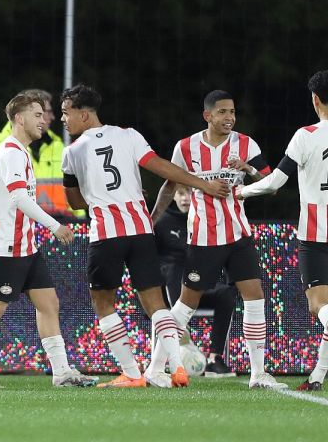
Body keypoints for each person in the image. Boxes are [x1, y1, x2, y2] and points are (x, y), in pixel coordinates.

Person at [61, 84, 230, 388]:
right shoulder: (129, 135)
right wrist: (201, 185)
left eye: (66, 112)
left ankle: (132, 373)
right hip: (141, 230)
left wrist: (97, 195)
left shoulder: (73, 152)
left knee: (103, 303)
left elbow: (74, 203)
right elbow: (163, 167)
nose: (63, 119)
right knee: (156, 303)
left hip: (106, 232)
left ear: (83, 114)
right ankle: (177, 368)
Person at [151, 89, 286, 389]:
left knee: (255, 298)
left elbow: (271, 184)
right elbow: (170, 187)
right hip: (203, 238)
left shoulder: (245, 144)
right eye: (223, 112)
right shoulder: (186, 148)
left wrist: (247, 168)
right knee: (185, 306)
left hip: (239, 234)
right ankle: (155, 367)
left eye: (233, 112)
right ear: (207, 115)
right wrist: (152, 219)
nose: (230, 118)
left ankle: (258, 374)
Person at [0, 92, 98, 389]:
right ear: (19, 118)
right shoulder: (11, 151)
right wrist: (55, 226)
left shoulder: (22, 151)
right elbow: (19, 198)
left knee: (49, 303)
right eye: (37, 115)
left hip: (27, 246)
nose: (44, 120)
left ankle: (62, 372)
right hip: (7, 246)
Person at [238, 70, 328, 391]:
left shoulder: (306, 135)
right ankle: (317, 376)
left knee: (319, 306)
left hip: (316, 233)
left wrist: (240, 192)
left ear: (315, 99)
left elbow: (276, 181)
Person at [155, 184, 237, 377]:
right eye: (180, 193)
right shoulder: (160, 222)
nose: (184, 198)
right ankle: (177, 348)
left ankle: (214, 358)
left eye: (189, 193)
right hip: (168, 291)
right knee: (173, 268)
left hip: (198, 284)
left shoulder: (205, 220)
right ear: (172, 196)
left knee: (226, 291)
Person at [0, 89, 84, 217]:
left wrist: (79, 221)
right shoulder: (1, 143)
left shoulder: (59, 146)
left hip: (61, 224)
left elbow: (70, 189)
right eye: (44, 113)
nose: (52, 117)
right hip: (18, 225)